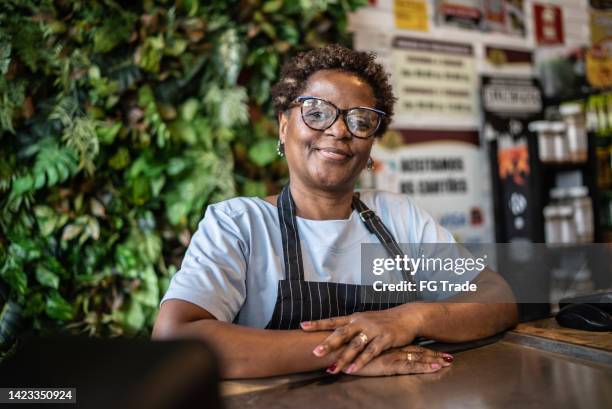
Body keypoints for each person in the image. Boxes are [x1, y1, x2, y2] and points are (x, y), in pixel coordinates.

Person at [152, 44, 518, 379]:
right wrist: (352, 349)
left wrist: (410, 317)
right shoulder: (239, 224)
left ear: (372, 142)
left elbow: (495, 295)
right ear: (284, 126)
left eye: (360, 121)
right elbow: (177, 339)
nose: (339, 130)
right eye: (317, 113)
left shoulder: (399, 217)